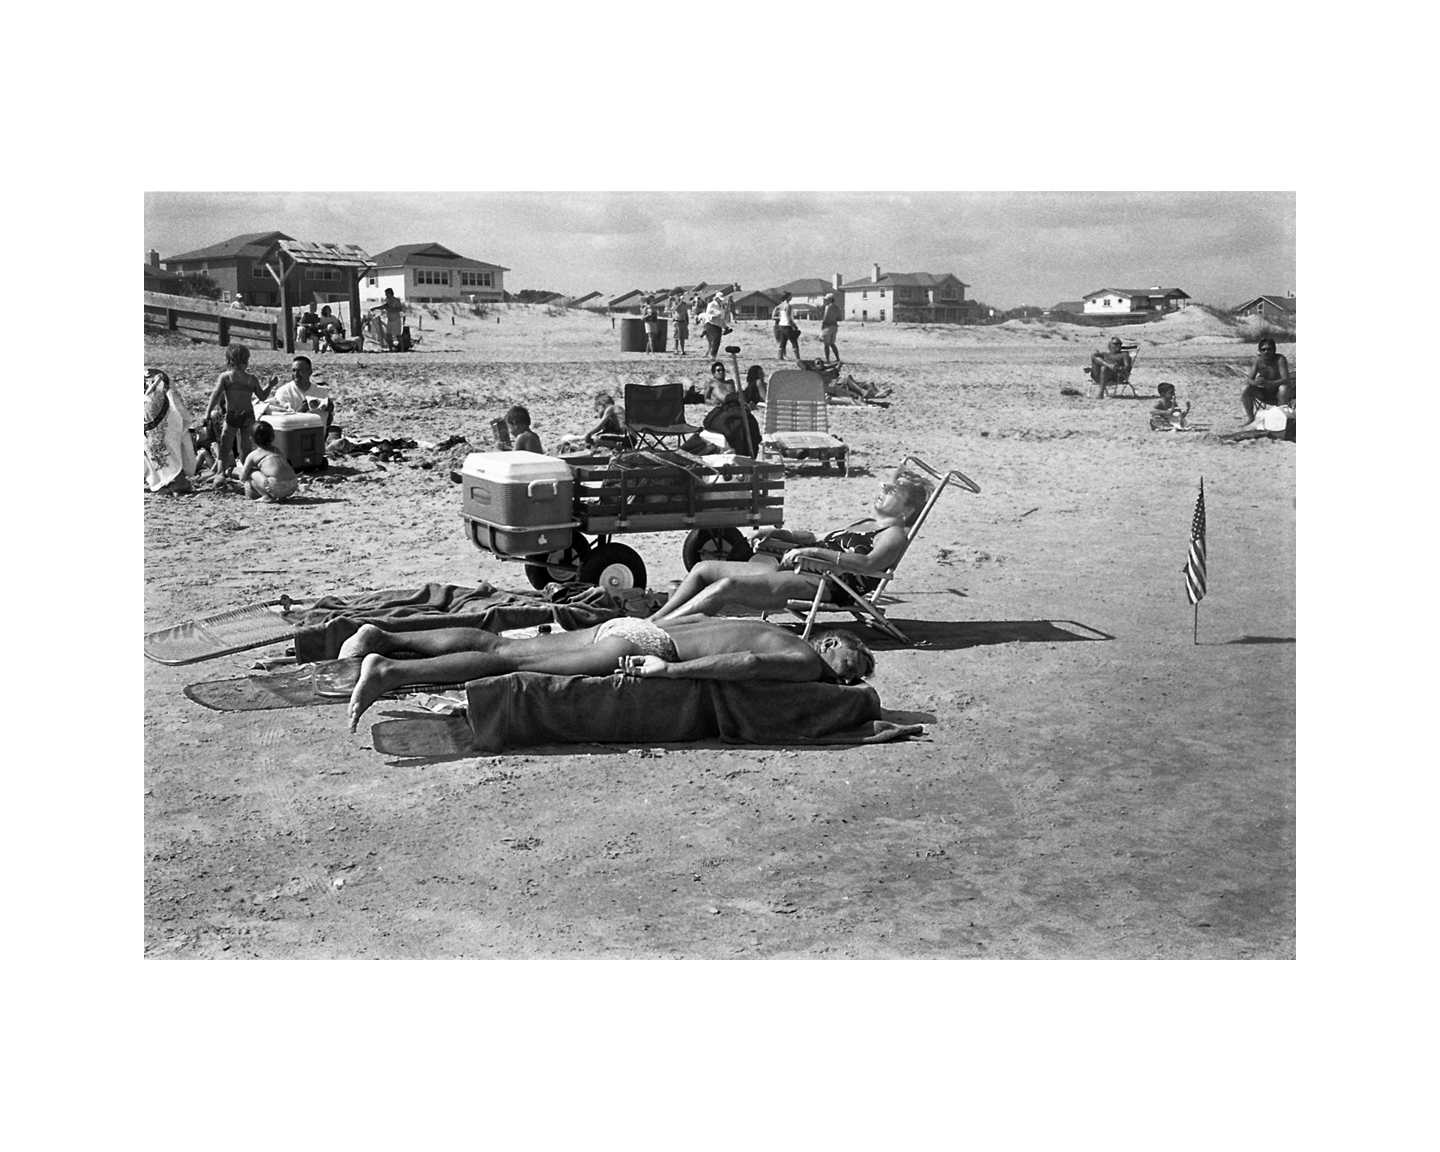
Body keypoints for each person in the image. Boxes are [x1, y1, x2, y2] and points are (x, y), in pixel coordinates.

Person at [339, 615, 876, 732]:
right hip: (652, 643)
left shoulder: (773, 627)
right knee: (510, 662)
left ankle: (382, 637)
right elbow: (748, 665)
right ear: (829, 643)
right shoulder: (805, 659)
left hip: (639, 624)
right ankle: (384, 670)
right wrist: (669, 670)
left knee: (502, 643)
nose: (842, 683)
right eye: (846, 669)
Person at [648, 472, 933, 622]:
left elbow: (869, 565)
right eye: (885, 486)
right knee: (703, 569)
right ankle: (654, 620)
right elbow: (816, 535)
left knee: (726, 587)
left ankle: (663, 629)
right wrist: (781, 532)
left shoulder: (894, 534)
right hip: (799, 567)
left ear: (908, 510)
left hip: (822, 583)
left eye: (893, 491)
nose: (883, 491)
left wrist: (812, 554)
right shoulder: (866, 523)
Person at [204, 344, 276, 485]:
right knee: (246, 447)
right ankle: (247, 473)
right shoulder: (251, 379)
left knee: (226, 445)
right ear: (247, 360)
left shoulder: (226, 377)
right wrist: (270, 385)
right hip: (248, 415)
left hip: (232, 415)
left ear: (228, 360)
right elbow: (262, 397)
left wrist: (208, 412)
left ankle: (220, 474)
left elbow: (216, 394)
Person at [238, 420, 300, 502]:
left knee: (251, 472)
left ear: (251, 438)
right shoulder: (277, 450)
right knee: (275, 475)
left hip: (277, 486)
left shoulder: (253, 455)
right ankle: (282, 497)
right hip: (293, 485)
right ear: (273, 437)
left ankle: (266, 496)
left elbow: (243, 476)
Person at [268, 354, 334, 426]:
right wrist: (302, 410)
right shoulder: (284, 392)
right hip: (295, 433)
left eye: (300, 371)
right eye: (293, 370)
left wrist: (329, 410)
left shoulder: (321, 392)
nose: (296, 374)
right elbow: (283, 421)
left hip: (318, 431)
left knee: (334, 430)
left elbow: (327, 422)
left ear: (309, 372)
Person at [1240, 337, 1292, 421]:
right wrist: (1255, 383)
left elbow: (1285, 379)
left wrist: (1268, 383)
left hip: (1279, 394)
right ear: (1260, 351)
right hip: (1265, 393)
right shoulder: (1258, 360)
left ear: (1274, 350)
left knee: (1283, 388)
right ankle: (1250, 418)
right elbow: (1250, 378)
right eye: (1263, 350)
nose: (1266, 352)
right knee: (1245, 388)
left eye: (1269, 349)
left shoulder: (1280, 359)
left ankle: (1279, 418)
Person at [702, 291, 732, 359]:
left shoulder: (721, 306)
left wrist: (725, 327)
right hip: (710, 323)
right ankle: (712, 355)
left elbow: (721, 318)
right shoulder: (711, 304)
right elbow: (707, 314)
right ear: (716, 298)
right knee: (715, 338)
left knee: (717, 340)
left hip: (718, 324)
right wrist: (715, 315)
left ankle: (713, 355)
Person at [772, 291, 800, 360]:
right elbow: (788, 316)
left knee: (783, 341)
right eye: (790, 296)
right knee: (794, 341)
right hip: (787, 325)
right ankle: (797, 358)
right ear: (788, 297)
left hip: (781, 325)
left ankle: (780, 356)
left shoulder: (781, 305)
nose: (791, 298)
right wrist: (793, 325)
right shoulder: (788, 305)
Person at [819, 293, 842, 363]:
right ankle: (837, 358)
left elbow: (825, 318)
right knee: (832, 343)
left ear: (830, 300)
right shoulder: (837, 308)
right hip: (835, 326)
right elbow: (839, 318)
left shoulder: (828, 307)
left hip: (828, 326)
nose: (825, 301)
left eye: (826, 300)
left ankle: (827, 359)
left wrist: (822, 326)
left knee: (826, 344)